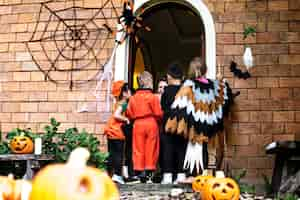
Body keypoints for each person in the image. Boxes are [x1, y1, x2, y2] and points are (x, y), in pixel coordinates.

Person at [165, 57, 233, 176]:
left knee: (194, 152)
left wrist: (175, 123)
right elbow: (225, 98)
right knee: (206, 150)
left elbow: (178, 106)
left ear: (191, 70)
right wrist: (222, 82)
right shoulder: (214, 85)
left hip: (195, 127)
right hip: (210, 126)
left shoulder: (189, 85)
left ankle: (195, 177)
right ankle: (204, 175)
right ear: (205, 70)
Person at [126, 71, 163, 183]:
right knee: (151, 148)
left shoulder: (133, 98)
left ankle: (139, 173)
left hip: (138, 124)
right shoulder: (153, 97)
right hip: (151, 123)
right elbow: (158, 113)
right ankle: (149, 174)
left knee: (138, 148)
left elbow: (129, 113)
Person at [160, 62, 187, 184]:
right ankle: (181, 175)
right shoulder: (186, 90)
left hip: (168, 125)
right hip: (182, 124)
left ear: (169, 76)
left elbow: (163, 107)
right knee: (182, 149)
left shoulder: (166, 91)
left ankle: (167, 176)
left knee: (168, 149)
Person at [104, 80, 131, 184]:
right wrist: (126, 119)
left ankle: (110, 174)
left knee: (112, 154)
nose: (130, 93)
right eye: (128, 91)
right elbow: (116, 115)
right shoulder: (123, 103)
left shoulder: (117, 102)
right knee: (119, 154)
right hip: (117, 132)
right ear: (124, 93)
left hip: (111, 131)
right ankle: (117, 175)